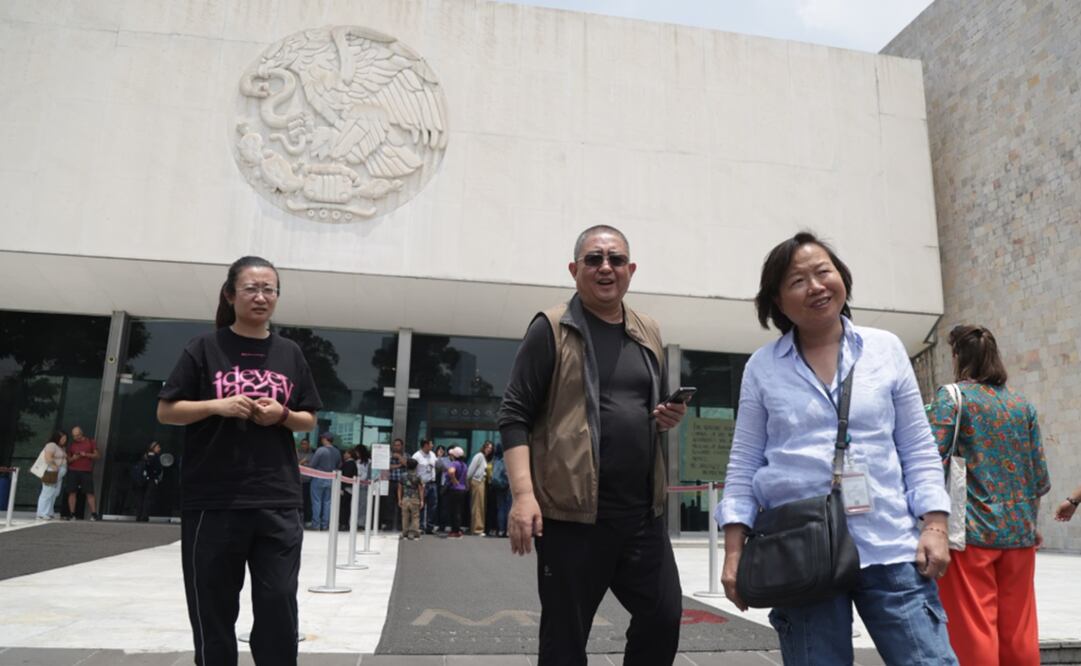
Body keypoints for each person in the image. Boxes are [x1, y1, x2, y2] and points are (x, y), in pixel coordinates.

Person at [717, 232, 957, 665]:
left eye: (823, 271)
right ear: (776, 299)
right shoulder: (762, 367)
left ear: (841, 277)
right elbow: (744, 464)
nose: (815, 286)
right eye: (797, 280)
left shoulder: (884, 349)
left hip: (889, 543)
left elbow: (918, 447)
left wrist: (935, 526)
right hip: (799, 549)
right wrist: (734, 552)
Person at [498, 225, 687, 666]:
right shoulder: (551, 328)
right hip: (572, 518)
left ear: (631, 270)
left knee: (663, 618)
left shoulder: (649, 331)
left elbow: (645, 408)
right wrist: (524, 496)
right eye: (594, 259)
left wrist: (666, 417)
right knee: (565, 638)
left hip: (642, 514)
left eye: (616, 259)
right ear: (574, 269)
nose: (606, 268)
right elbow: (514, 415)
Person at [156, 255, 321, 666]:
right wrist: (218, 405)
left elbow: (308, 418)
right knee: (212, 609)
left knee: (278, 602)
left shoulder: (290, 352)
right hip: (213, 499)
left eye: (269, 289)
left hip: (277, 499)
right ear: (230, 295)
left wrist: (280, 415)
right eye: (251, 288)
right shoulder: (203, 348)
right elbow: (167, 411)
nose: (261, 296)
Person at [927, 325, 1050, 665]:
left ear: (957, 357)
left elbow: (928, 455)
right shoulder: (1021, 406)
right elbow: (1038, 475)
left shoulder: (952, 398)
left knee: (974, 627)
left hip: (971, 533)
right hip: (1020, 533)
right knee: (1019, 629)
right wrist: (1030, 522)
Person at [63, 425, 100, 520]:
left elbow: (97, 456)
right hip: (73, 471)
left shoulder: (90, 442)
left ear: (81, 433)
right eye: (74, 436)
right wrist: (74, 458)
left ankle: (94, 514)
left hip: (86, 471)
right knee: (72, 492)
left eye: (78, 435)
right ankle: (72, 514)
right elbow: (68, 460)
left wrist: (86, 454)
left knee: (89, 492)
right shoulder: (71, 444)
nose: (76, 437)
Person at [310, 432, 341, 531]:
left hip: (318, 478)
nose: (321, 440)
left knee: (316, 502)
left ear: (325, 439)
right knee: (328, 503)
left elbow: (312, 465)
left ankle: (316, 525)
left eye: (322, 438)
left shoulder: (320, 450)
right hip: (331, 479)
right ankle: (325, 525)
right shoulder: (337, 452)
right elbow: (339, 465)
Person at [36, 430, 67, 520]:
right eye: (62, 438)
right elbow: (48, 458)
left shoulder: (61, 447)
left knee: (54, 493)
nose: (64, 440)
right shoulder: (51, 445)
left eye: (65, 438)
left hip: (59, 473)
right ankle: (42, 513)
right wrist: (54, 467)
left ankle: (49, 512)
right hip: (52, 471)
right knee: (47, 492)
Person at [467, 441, 494, 535]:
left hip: (481, 482)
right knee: (478, 506)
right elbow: (471, 470)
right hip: (477, 481)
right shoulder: (479, 456)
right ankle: (477, 529)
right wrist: (468, 482)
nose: (489, 450)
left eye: (491, 448)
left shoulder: (484, 457)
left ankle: (476, 528)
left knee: (480, 506)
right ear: (484, 447)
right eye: (488, 447)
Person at [134, 441, 164, 522]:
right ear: (153, 448)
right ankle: (144, 516)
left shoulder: (144, 456)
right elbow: (158, 469)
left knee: (141, 498)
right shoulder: (155, 457)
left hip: (142, 480)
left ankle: (139, 515)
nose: (159, 449)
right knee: (148, 498)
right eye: (158, 447)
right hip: (151, 480)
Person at [412, 439, 438, 534]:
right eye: (431, 443)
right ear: (426, 445)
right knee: (421, 505)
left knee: (433, 505)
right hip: (422, 484)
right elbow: (412, 469)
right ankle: (421, 526)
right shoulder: (416, 456)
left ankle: (430, 527)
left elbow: (436, 465)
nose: (432, 445)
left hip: (432, 483)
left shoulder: (432, 454)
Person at [443, 447, 468, 539]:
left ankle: (455, 531)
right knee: (458, 510)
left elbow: (451, 471)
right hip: (462, 489)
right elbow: (465, 478)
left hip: (454, 489)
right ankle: (457, 529)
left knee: (453, 511)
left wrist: (454, 480)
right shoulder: (464, 465)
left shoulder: (454, 463)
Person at [382, 438, 406, 531]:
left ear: (402, 446)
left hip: (402, 483)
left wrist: (399, 457)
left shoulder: (406, 455)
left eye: (398, 445)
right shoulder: (388, 455)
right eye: (395, 445)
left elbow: (408, 464)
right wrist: (399, 465)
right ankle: (389, 524)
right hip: (390, 482)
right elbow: (386, 466)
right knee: (389, 504)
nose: (396, 447)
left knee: (402, 504)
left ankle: (401, 524)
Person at [398, 458, 424, 540]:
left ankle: (404, 532)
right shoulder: (418, 476)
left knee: (405, 516)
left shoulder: (403, 476)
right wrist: (422, 500)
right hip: (415, 498)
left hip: (405, 498)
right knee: (415, 516)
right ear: (416, 467)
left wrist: (399, 499)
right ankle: (412, 532)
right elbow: (420, 489)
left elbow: (399, 488)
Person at [490, 444, 511, 538]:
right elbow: (507, 473)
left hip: (497, 486)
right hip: (506, 486)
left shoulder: (495, 460)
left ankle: (501, 530)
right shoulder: (506, 459)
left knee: (500, 508)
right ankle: (507, 530)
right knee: (507, 508)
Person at [338, 448, 356, 530]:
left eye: (346, 453)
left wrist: (342, 487)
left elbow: (346, 476)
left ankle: (343, 523)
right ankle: (344, 523)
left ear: (350, 454)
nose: (344, 455)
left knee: (344, 507)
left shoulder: (349, 464)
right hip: (349, 488)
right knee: (346, 507)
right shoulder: (352, 463)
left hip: (346, 489)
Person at [297, 437, 313, 526]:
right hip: (299, 481)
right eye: (302, 443)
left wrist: (303, 463)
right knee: (300, 500)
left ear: (308, 445)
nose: (303, 445)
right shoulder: (297, 453)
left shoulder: (312, 454)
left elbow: (312, 466)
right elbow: (295, 464)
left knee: (308, 501)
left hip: (309, 481)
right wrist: (302, 462)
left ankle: (307, 519)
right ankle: (300, 519)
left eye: (305, 444)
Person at [433, 445, 448, 532]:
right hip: (434, 482)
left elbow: (444, 468)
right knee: (434, 504)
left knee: (442, 505)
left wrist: (440, 458)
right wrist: (438, 457)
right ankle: (433, 523)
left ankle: (441, 525)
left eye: (442, 451)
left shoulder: (446, 460)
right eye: (439, 450)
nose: (441, 452)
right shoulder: (433, 458)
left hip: (442, 484)